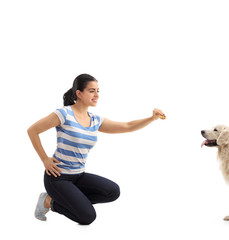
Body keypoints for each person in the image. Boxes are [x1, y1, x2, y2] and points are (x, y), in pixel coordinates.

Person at [28, 74, 165, 225]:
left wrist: (152, 118)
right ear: (79, 93)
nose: (97, 95)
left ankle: (71, 200)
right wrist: (44, 159)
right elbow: (32, 131)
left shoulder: (95, 120)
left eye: (98, 91)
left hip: (78, 176)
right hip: (57, 177)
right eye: (91, 91)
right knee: (87, 217)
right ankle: (49, 201)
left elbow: (127, 126)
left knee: (112, 191)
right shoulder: (64, 114)